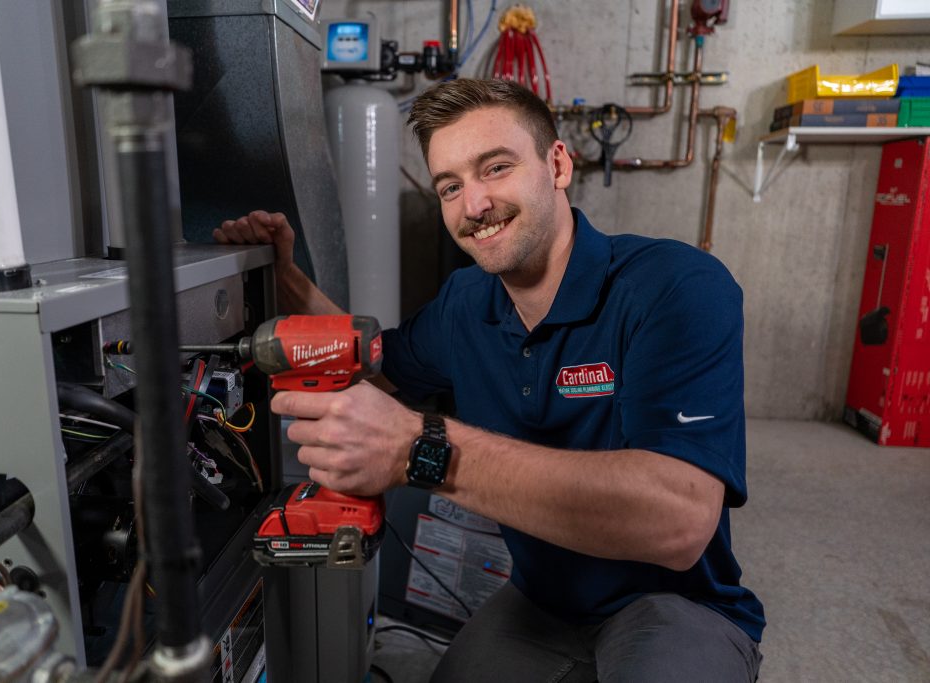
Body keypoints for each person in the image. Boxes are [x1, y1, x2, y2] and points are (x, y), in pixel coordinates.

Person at [214, 78, 764, 682]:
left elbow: (678, 521)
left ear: (557, 164)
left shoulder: (675, 287)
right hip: (541, 600)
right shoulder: (466, 302)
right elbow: (373, 368)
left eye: (495, 168)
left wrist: (420, 450)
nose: (474, 205)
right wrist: (288, 280)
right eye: (450, 186)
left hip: (676, 605)